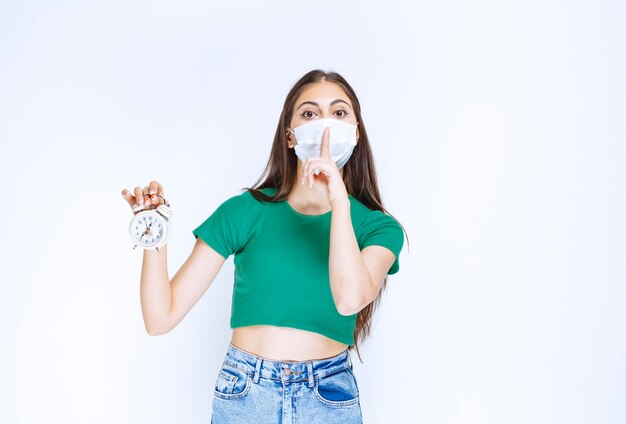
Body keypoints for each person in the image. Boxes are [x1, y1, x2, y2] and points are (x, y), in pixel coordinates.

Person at [121, 69, 407, 423]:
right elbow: (159, 318)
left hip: (328, 396)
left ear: (356, 133)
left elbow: (349, 299)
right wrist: (154, 230)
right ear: (290, 137)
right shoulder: (245, 212)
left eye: (339, 112)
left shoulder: (378, 228)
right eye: (309, 113)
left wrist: (339, 203)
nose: (325, 125)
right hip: (245, 394)